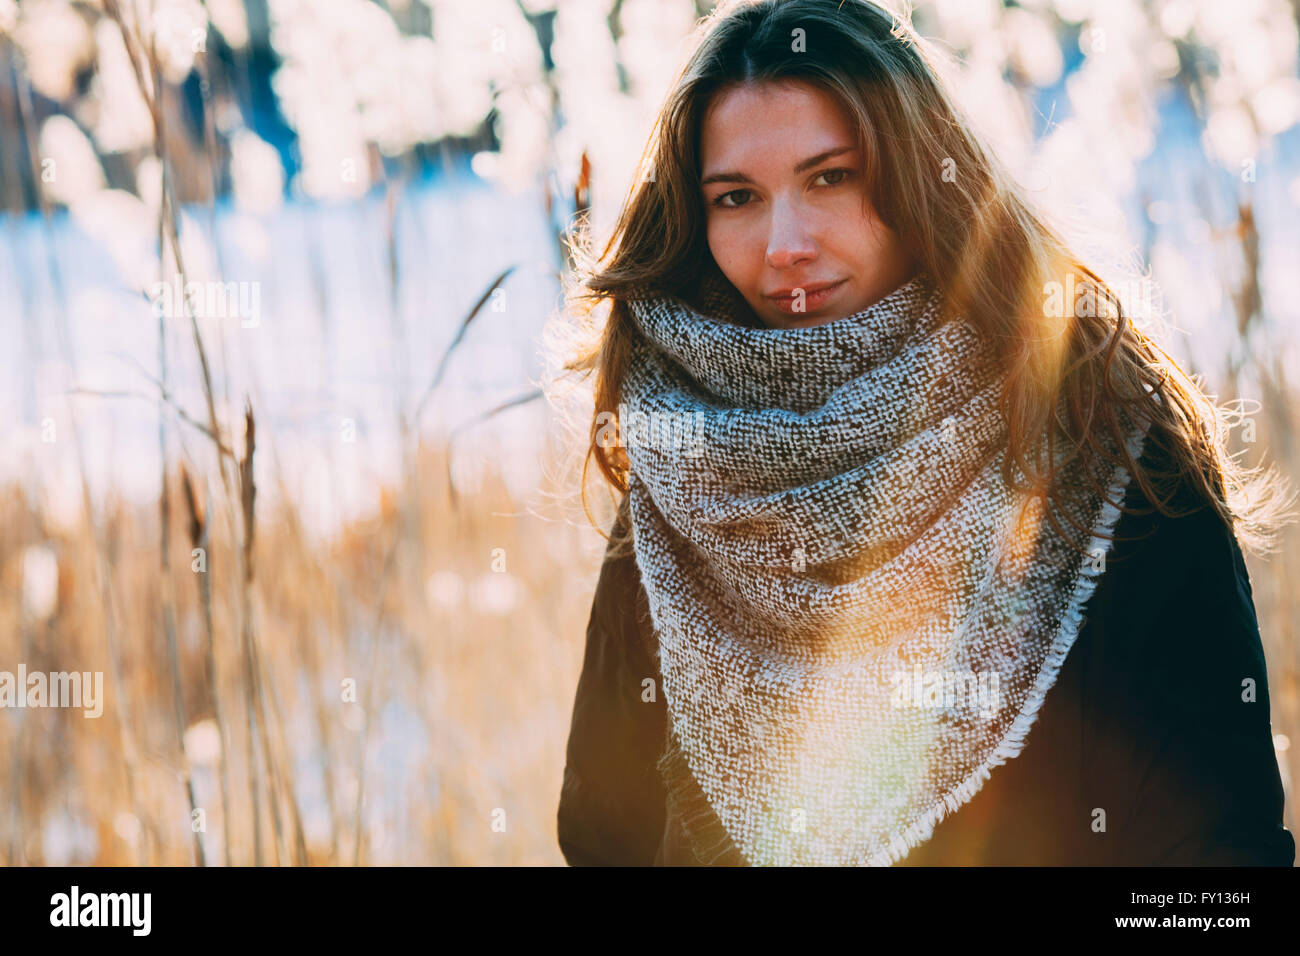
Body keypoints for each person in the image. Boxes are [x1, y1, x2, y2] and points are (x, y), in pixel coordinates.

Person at [550, 0, 1295, 866]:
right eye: (738, 197)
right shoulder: (686, 466)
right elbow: (603, 829)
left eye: (832, 176)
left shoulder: (1103, 439)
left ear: (920, 174)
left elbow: (1217, 863)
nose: (785, 243)